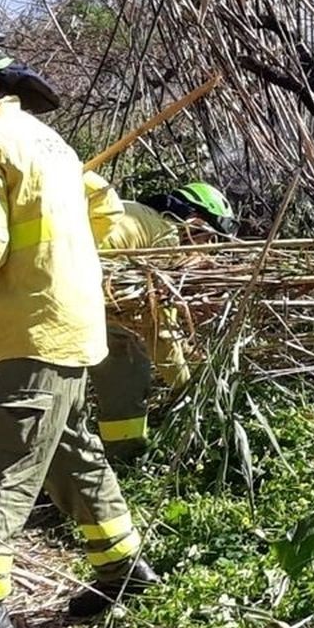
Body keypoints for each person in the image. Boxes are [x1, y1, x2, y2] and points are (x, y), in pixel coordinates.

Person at [0, 29, 156, 628]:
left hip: (35, 329)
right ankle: (125, 571)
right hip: (71, 320)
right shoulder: (52, 144)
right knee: (72, 455)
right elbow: (106, 209)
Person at [83, 178, 237, 457]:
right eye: (209, 238)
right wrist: (187, 388)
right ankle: (126, 456)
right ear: (194, 221)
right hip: (78, 295)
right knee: (128, 361)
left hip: (60, 289)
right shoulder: (166, 240)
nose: (209, 248)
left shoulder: (144, 218)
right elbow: (158, 327)